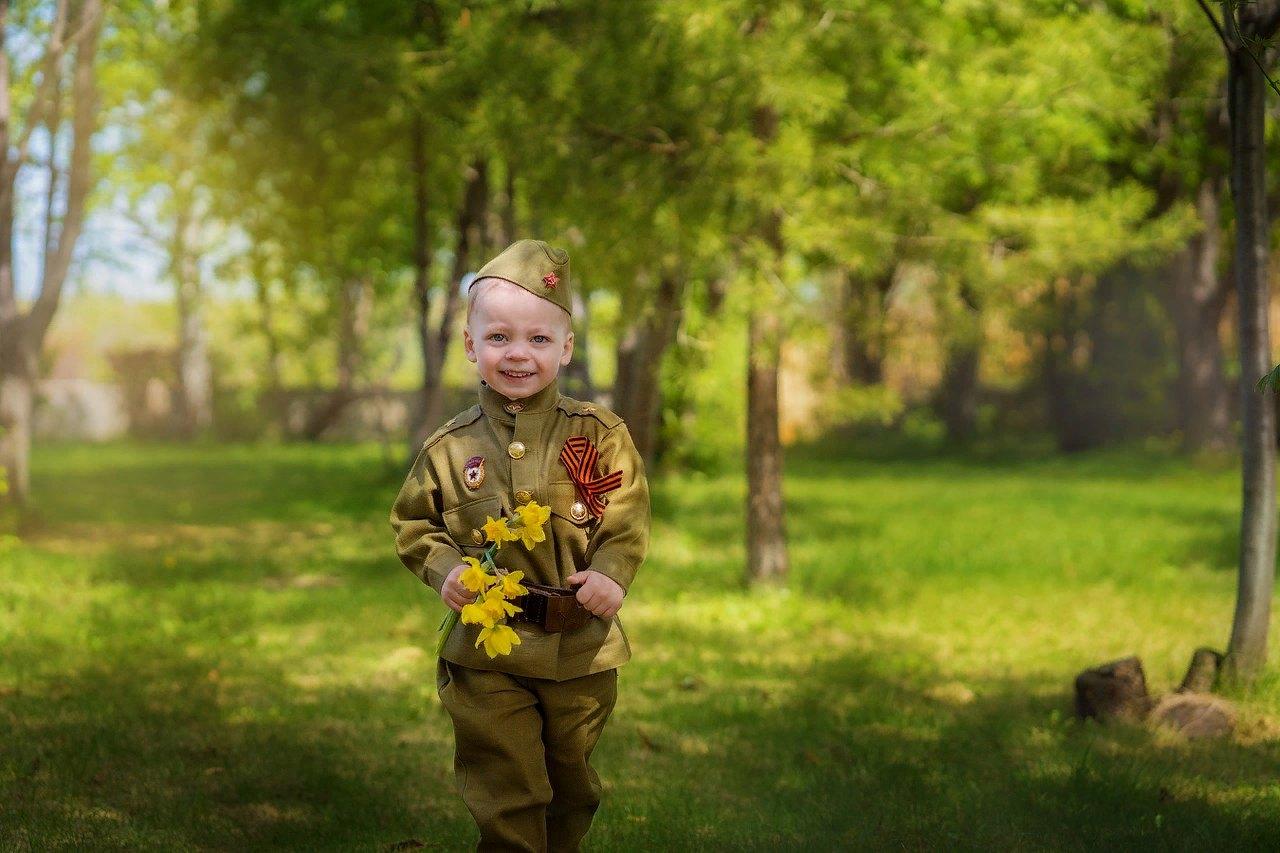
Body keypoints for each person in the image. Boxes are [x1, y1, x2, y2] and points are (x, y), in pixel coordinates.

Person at [389, 238, 651, 852]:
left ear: (565, 348)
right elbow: (413, 524)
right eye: (500, 337)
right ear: (470, 345)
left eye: (538, 340)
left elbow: (627, 514)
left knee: (571, 784)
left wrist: (613, 571)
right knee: (507, 787)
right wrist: (446, 569)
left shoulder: (599, 436)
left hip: (581, 648)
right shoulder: (450, 449)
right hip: (488, 651)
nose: (518, 355)